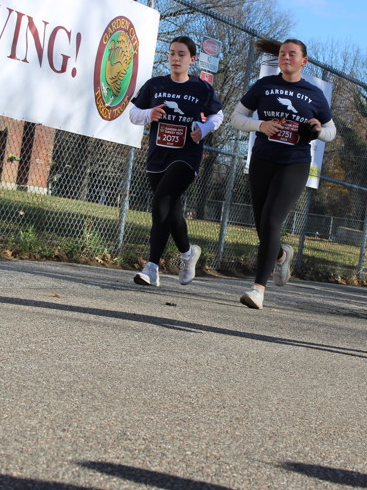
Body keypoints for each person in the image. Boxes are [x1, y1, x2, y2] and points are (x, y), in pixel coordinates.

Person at [230, 38, 335, 309]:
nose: (286, 57)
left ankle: (258, 289)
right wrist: (260, 125)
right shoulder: (264, 85)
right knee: (262, 225)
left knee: (272, 220)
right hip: (262, 160)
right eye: (282, 53)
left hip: (294, 164)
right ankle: (280, 256)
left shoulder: (314, 94)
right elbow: (236, 118)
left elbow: (331, 131)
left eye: (292, 54)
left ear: (304, 61)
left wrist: (318, 130)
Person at [128, 36, 224, 287]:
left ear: (192, 59)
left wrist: (203, 129)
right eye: (172, 53)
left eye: (181, 54)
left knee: (161, 201)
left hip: (186, 156)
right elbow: (133, 113)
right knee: (172, 211)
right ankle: (188, 253)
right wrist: (150, 113)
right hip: (158, 155)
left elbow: (217, 115)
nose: (175, 58)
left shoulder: (201, 88)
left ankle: (151, 267)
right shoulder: (155, 85)